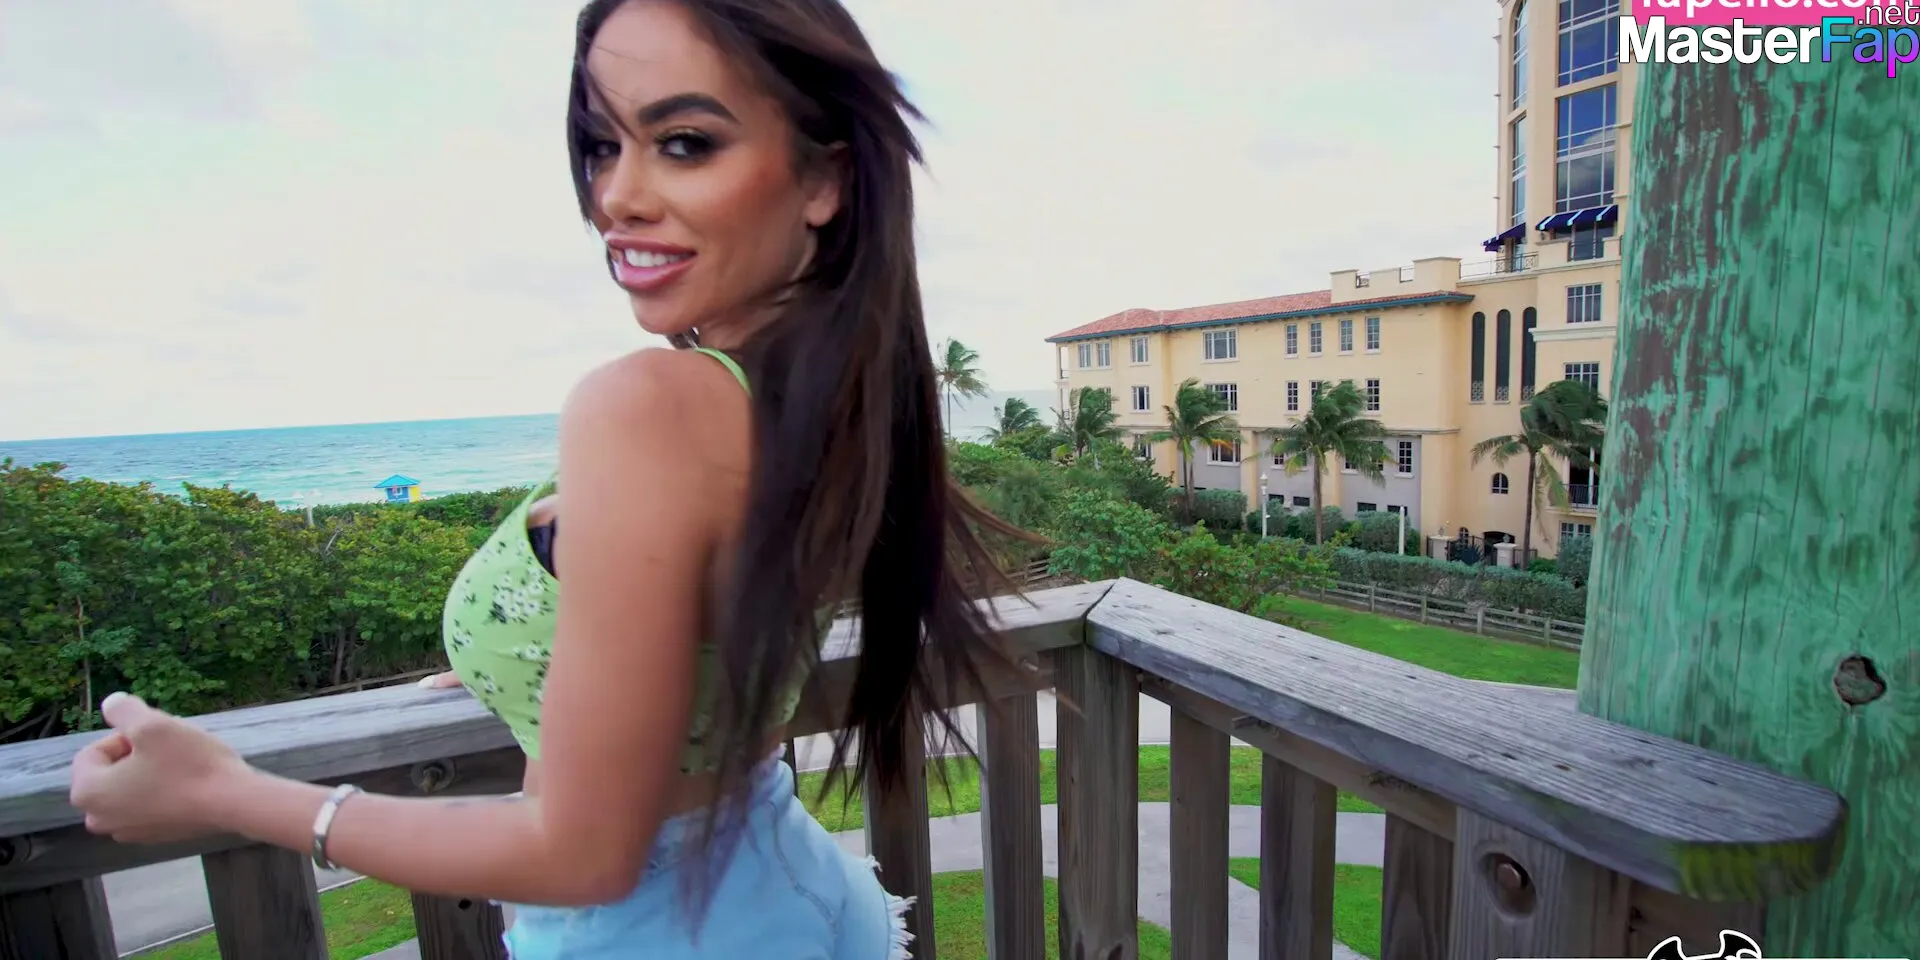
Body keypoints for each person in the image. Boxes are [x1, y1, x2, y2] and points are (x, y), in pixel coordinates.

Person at [66, 1, 1027, 956]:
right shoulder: (831, 412)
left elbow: (582, 855)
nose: (617, 197)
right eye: (603, 146)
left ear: (824, 179)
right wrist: (546, 649)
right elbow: (692, 622)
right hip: (782, 891)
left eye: (685, 143)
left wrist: (223, 792)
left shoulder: (651, 405)